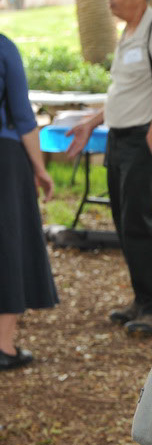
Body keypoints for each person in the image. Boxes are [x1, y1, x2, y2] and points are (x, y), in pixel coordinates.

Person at [67, 0, 152, 336]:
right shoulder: (128, 33)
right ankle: (142, 298)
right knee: (124, 220)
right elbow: (124, 92)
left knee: (140, 221)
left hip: (141, 140)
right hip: (118, 139)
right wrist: (92, 123)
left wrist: (151, 140)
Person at [0, 34, 57, 371]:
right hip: (4, 159)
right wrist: (40, 169)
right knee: (8, 245)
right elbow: (23, 117)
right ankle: (3, 345)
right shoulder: (3, 48)